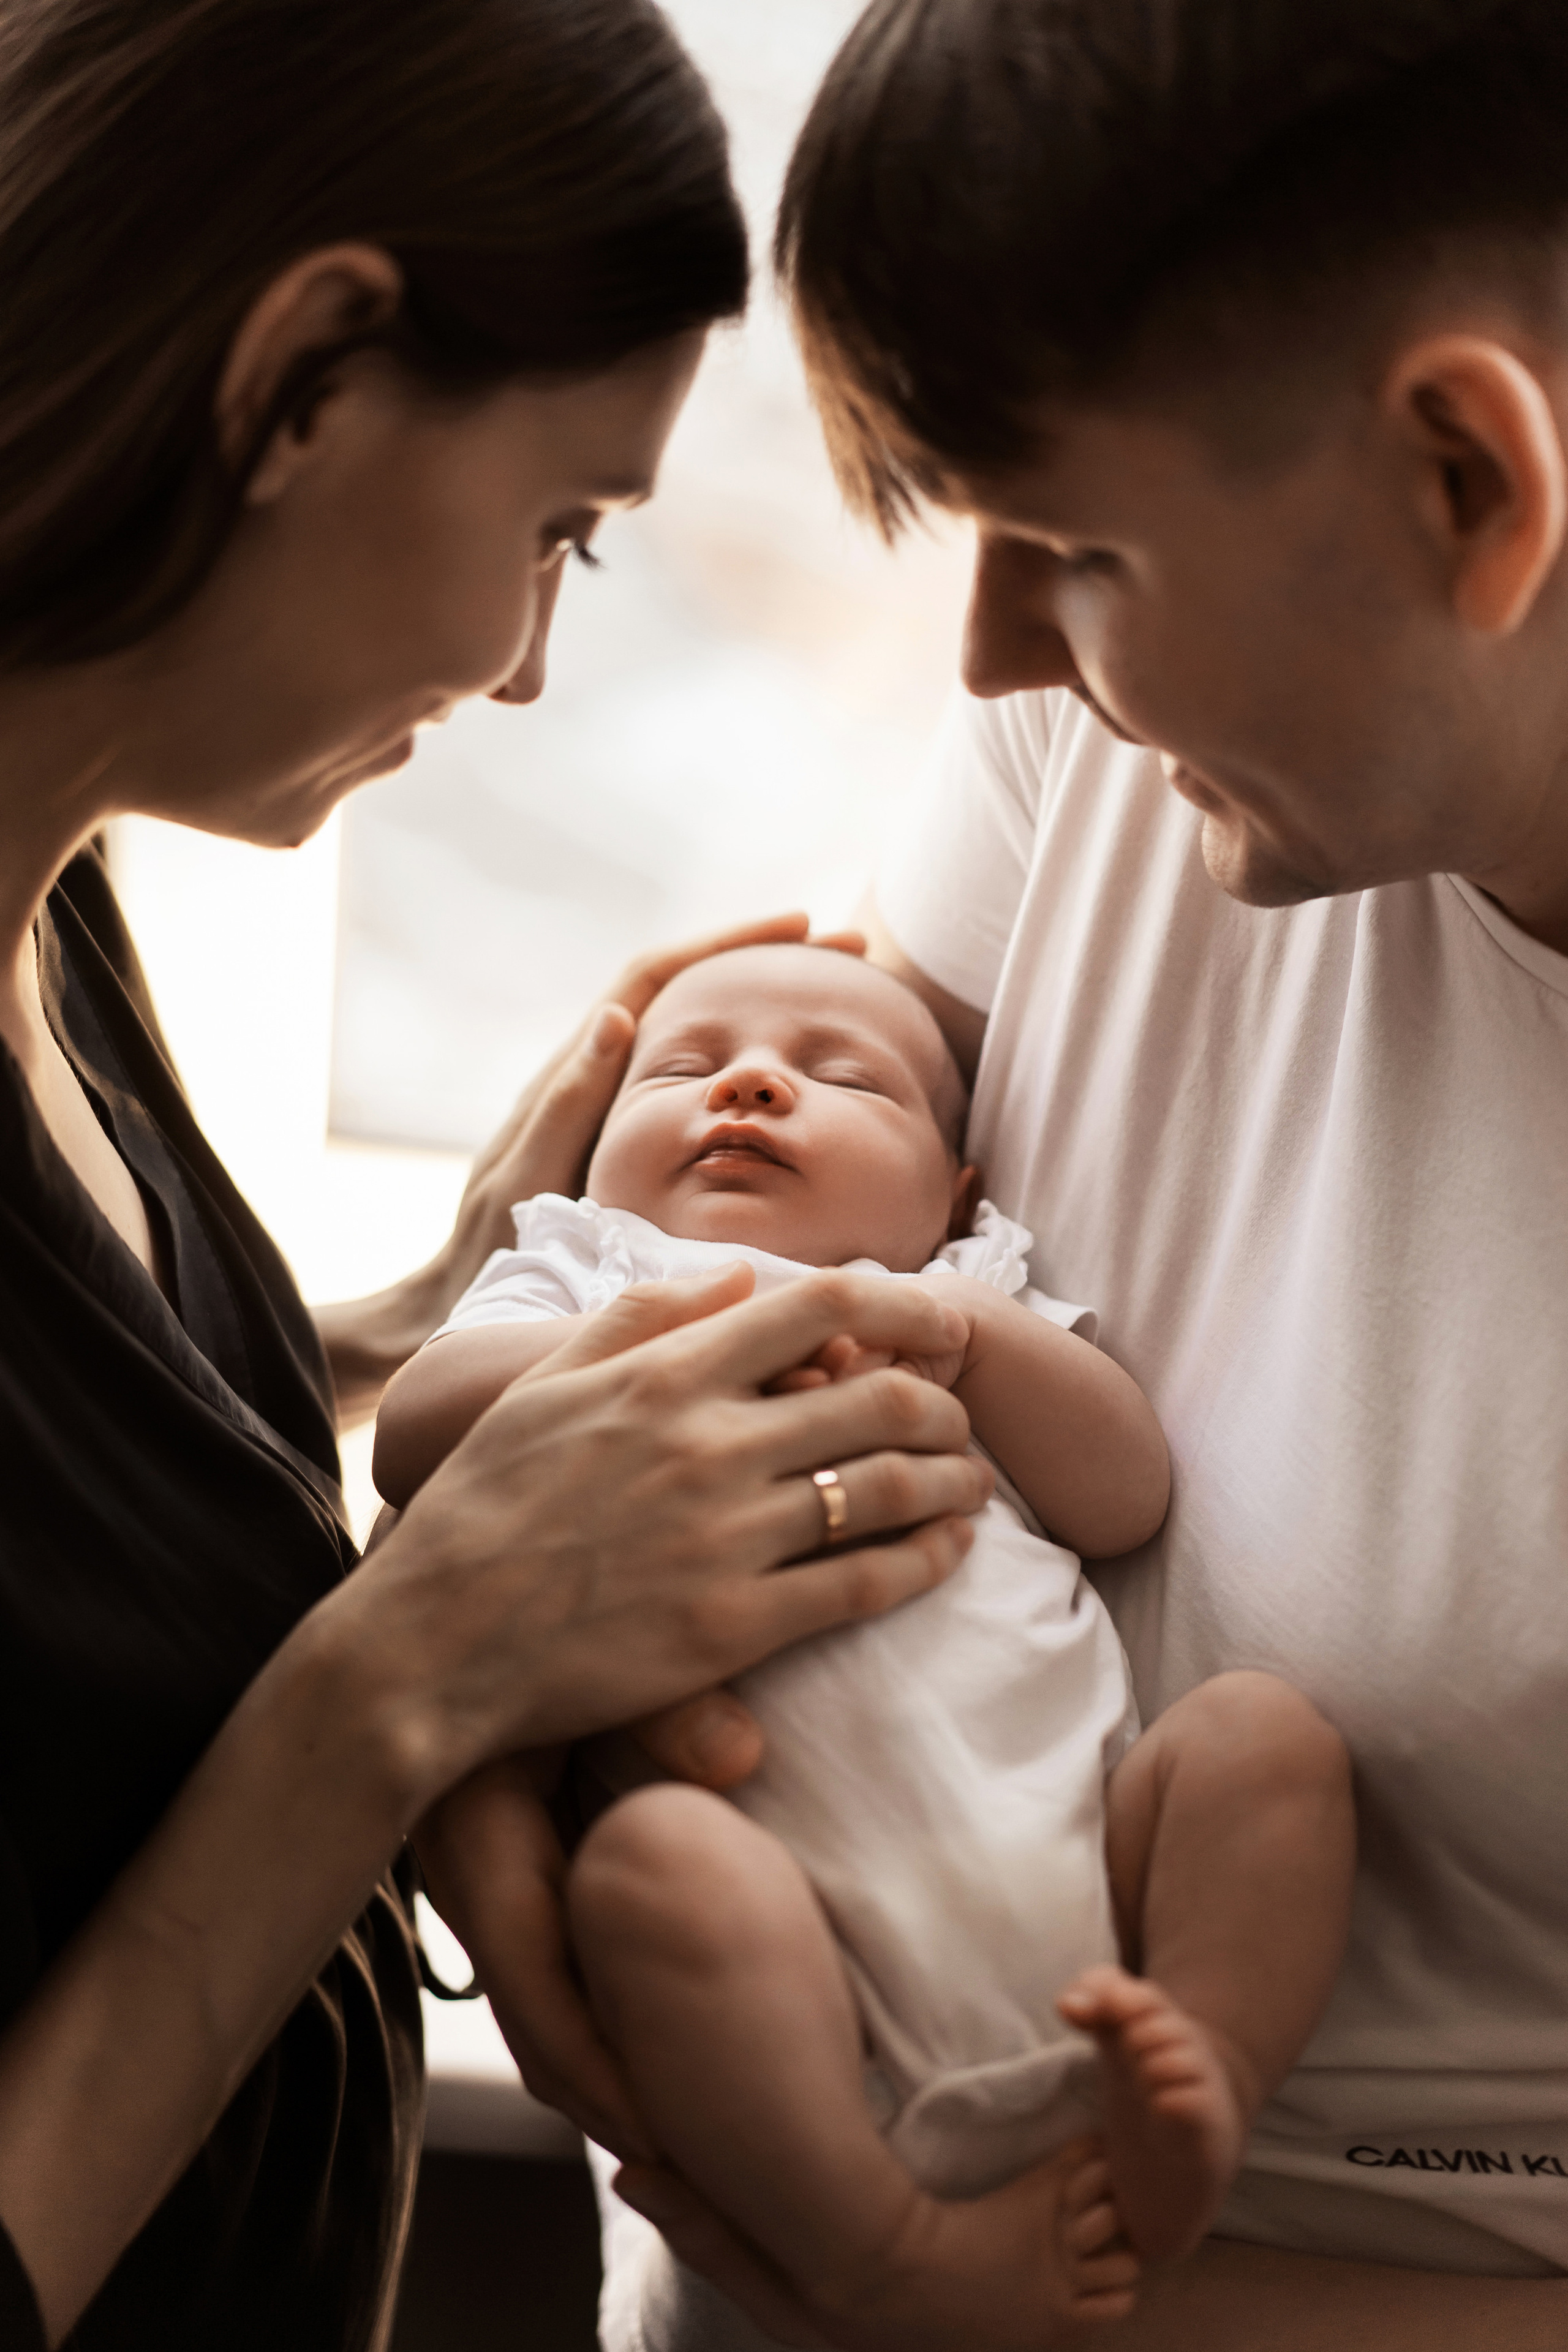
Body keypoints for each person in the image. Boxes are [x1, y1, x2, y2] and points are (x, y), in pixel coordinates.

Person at [0, 6, 1015, 2346]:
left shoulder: (50, 908)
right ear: (308, 373)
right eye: (557, 525)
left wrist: (427, 1307)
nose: (534, 666)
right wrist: (406, 1681)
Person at [570, 0, 1563, 2345]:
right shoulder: (1119, 759)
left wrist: (992, 2307)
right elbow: (701, 1277)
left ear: (1471, 484)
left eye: (1077, 547)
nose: (1000, 653)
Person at [374, 942, 1355, 2349]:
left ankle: (1196, 2062)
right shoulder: (590, 1270)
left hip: (1096, 1922)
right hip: (788, 1985)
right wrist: (692, 1335)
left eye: (842, 1079)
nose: (753, 1084)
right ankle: (879, 2247)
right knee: (652, 1870)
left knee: (1261, 1740)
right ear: (594, 1163)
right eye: (683, 1068)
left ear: (953, 1195)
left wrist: (956, 1333)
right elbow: (419, 1424)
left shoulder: (971, 1297)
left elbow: (1122, 1489)